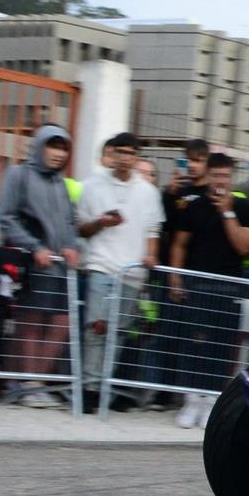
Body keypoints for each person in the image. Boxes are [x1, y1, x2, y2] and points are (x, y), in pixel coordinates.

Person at [167, 152, 249, 427]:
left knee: (222, 347)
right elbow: (179, 244)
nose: (221, 181)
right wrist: (175, 276)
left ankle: (211, 400)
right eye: (216, 175)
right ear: (207, 176)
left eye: (226, 176)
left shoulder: (245, 208)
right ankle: (191, 399)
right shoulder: (194, 207)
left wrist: (227, 212)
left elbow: (245, 247)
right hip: (197, 284)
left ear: (232, 178)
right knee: (194, 343)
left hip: (229, 287)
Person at [75, 132, 164, 408]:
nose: (125, 158)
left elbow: (153, 229)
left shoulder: (148, 192)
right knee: (96, 328)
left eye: (130, 153)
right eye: (120, 152)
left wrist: (150, 256)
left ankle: (105, 386)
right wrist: (100, 222)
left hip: (132, 272)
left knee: (119, 332)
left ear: (137, 157)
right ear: (111, 154)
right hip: (101, 265)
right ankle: (90, 389)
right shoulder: (91, 185)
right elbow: (80, 227)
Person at [0, 124, 80, 408]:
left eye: (63, 148)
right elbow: (7, 217)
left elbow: (71, 223)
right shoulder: (19, 174)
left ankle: (36, 382)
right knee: (31, 323)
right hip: (31, 263)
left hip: (58, 267)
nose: (58, 154)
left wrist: (73, 246)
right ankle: (27, 384)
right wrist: (36, 247)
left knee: (61, 323)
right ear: (39, 146)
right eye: (52, 146)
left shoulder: (61, 183)